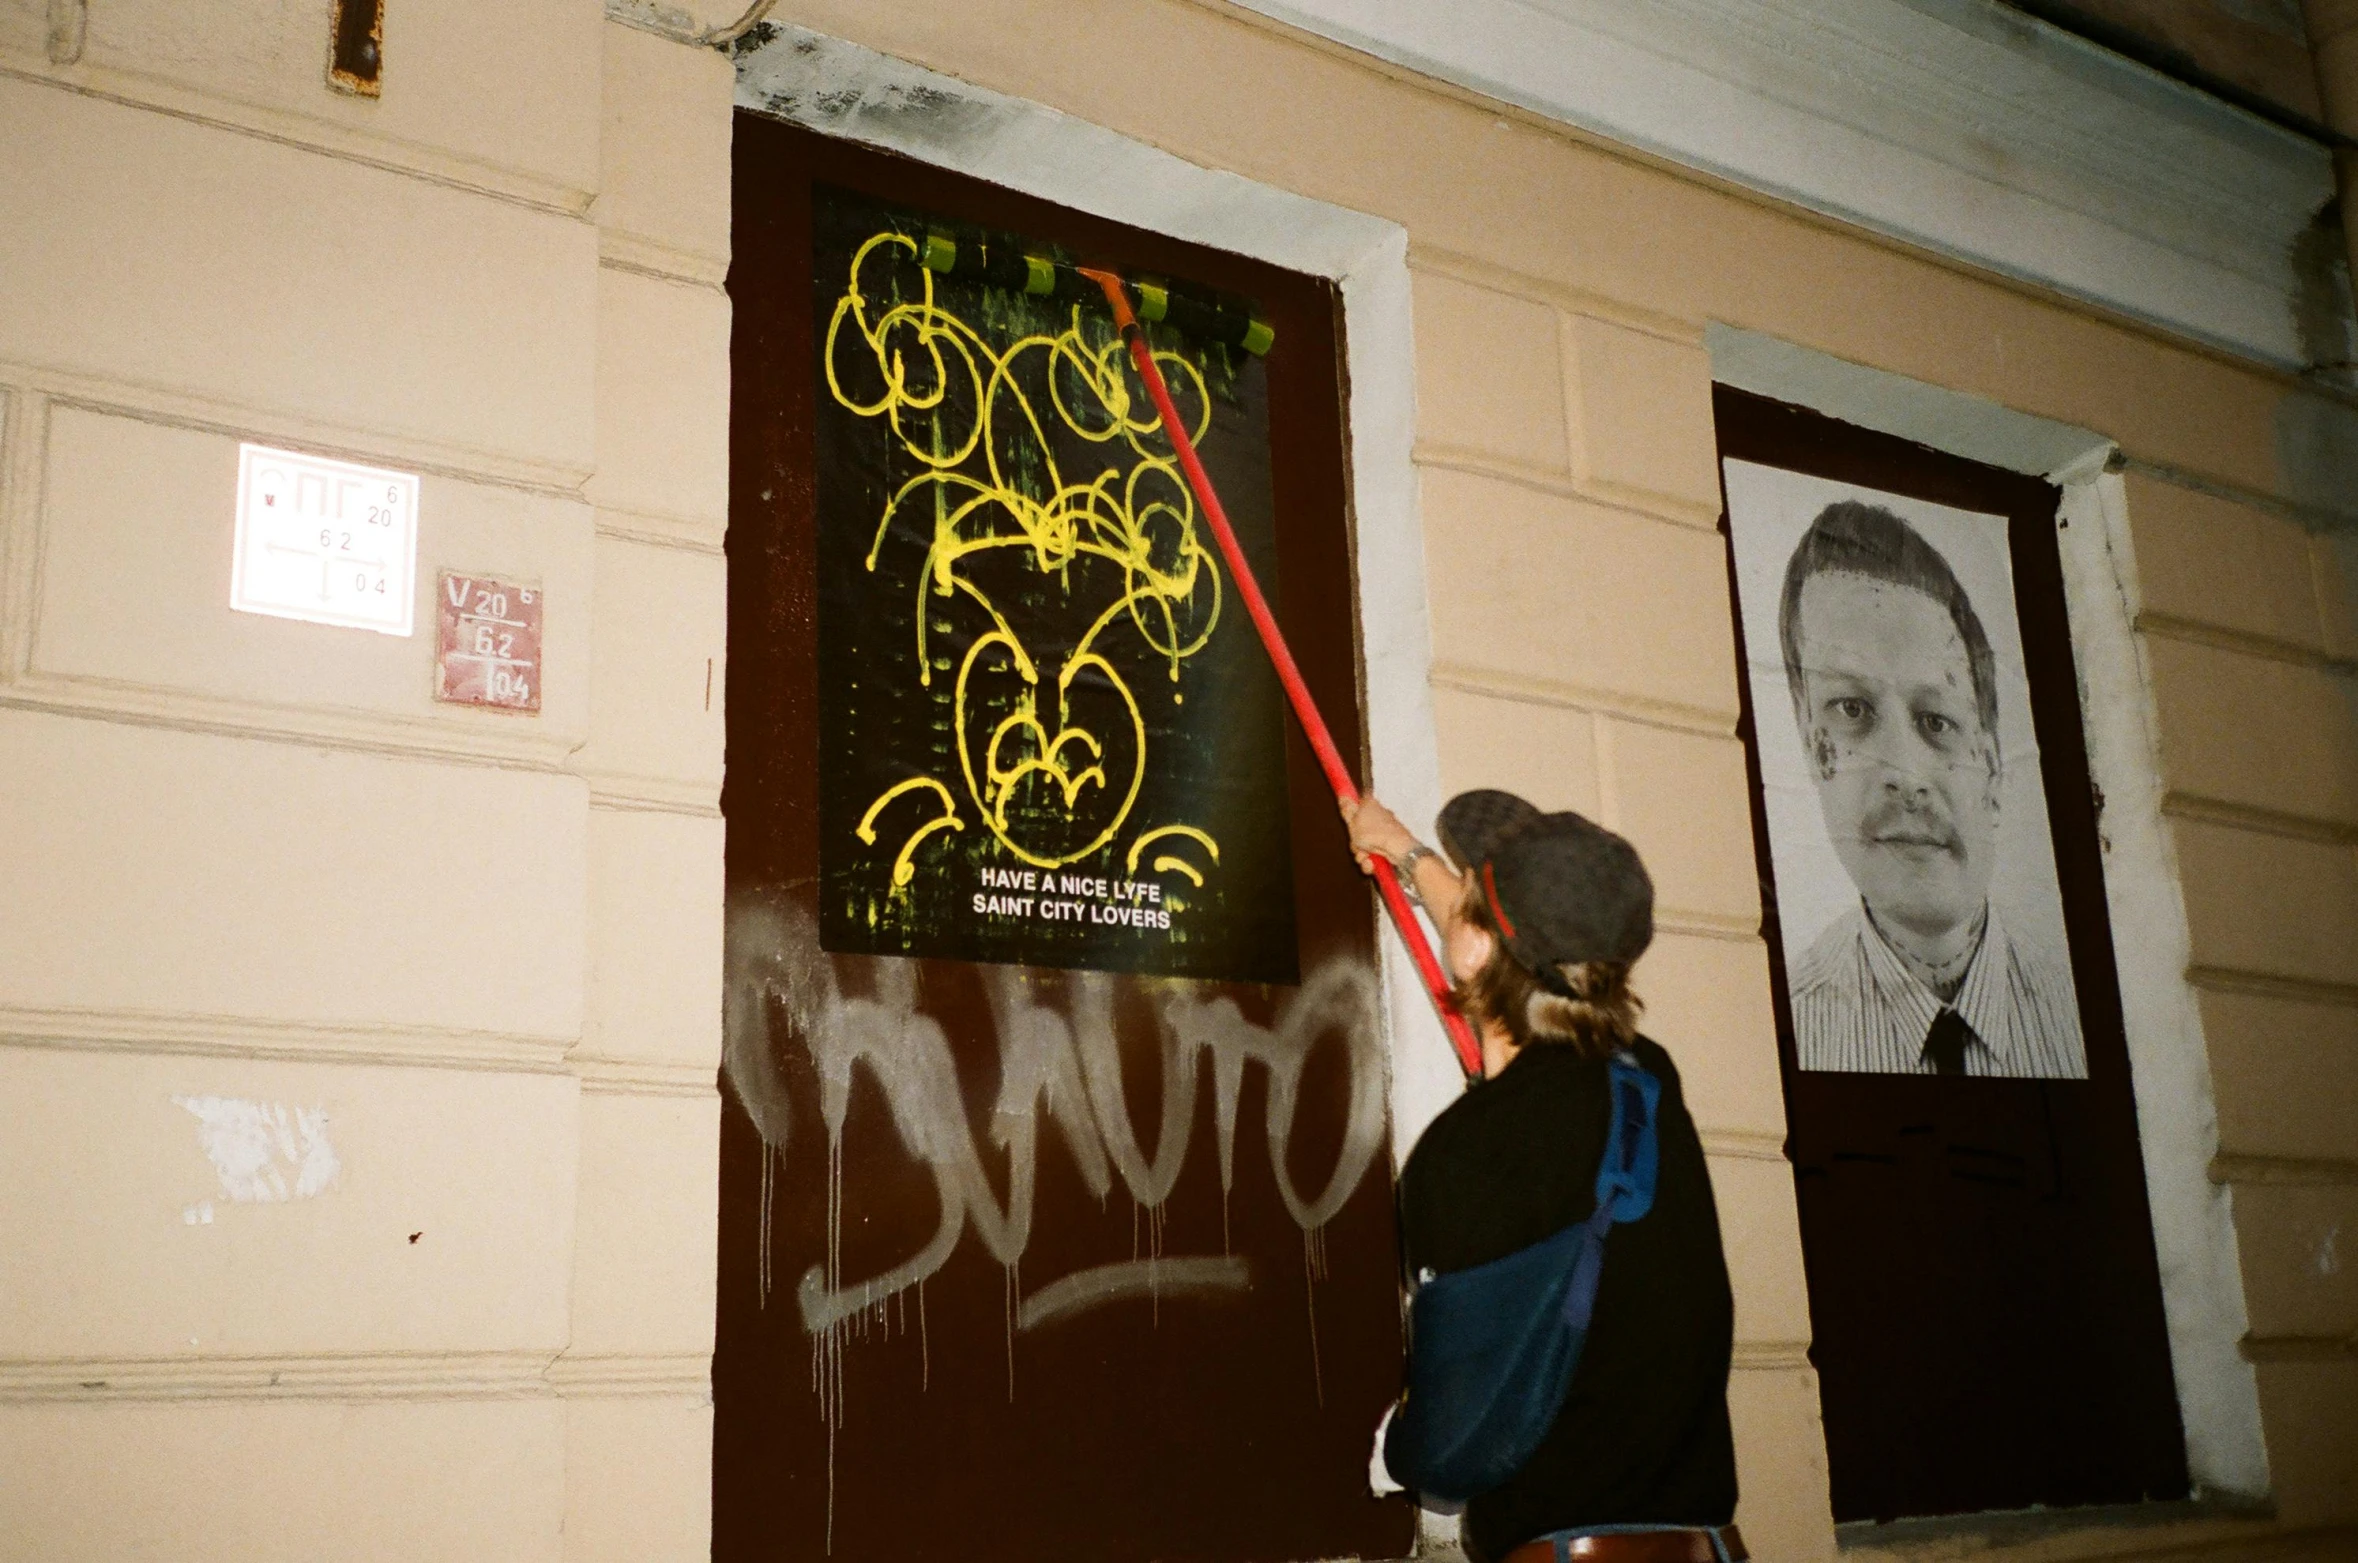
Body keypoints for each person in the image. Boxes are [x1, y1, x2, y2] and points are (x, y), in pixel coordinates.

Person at [1346, 788, 1742, 1563]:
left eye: (1471, 890)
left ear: (1478, 948)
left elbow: (1449, 1439)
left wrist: (1395, 1446)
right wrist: (1402, 850)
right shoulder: (1647, 1084)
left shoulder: (1463, 1156)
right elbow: (1522, 965)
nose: (1453, 895)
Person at [1775, 500, 2085, 1078]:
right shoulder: (1778, 1033)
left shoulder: (2084, 1017)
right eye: (1853, 710)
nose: (1906, 774)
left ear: (1992, 766)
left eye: (1936, 721)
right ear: (1812, 747)